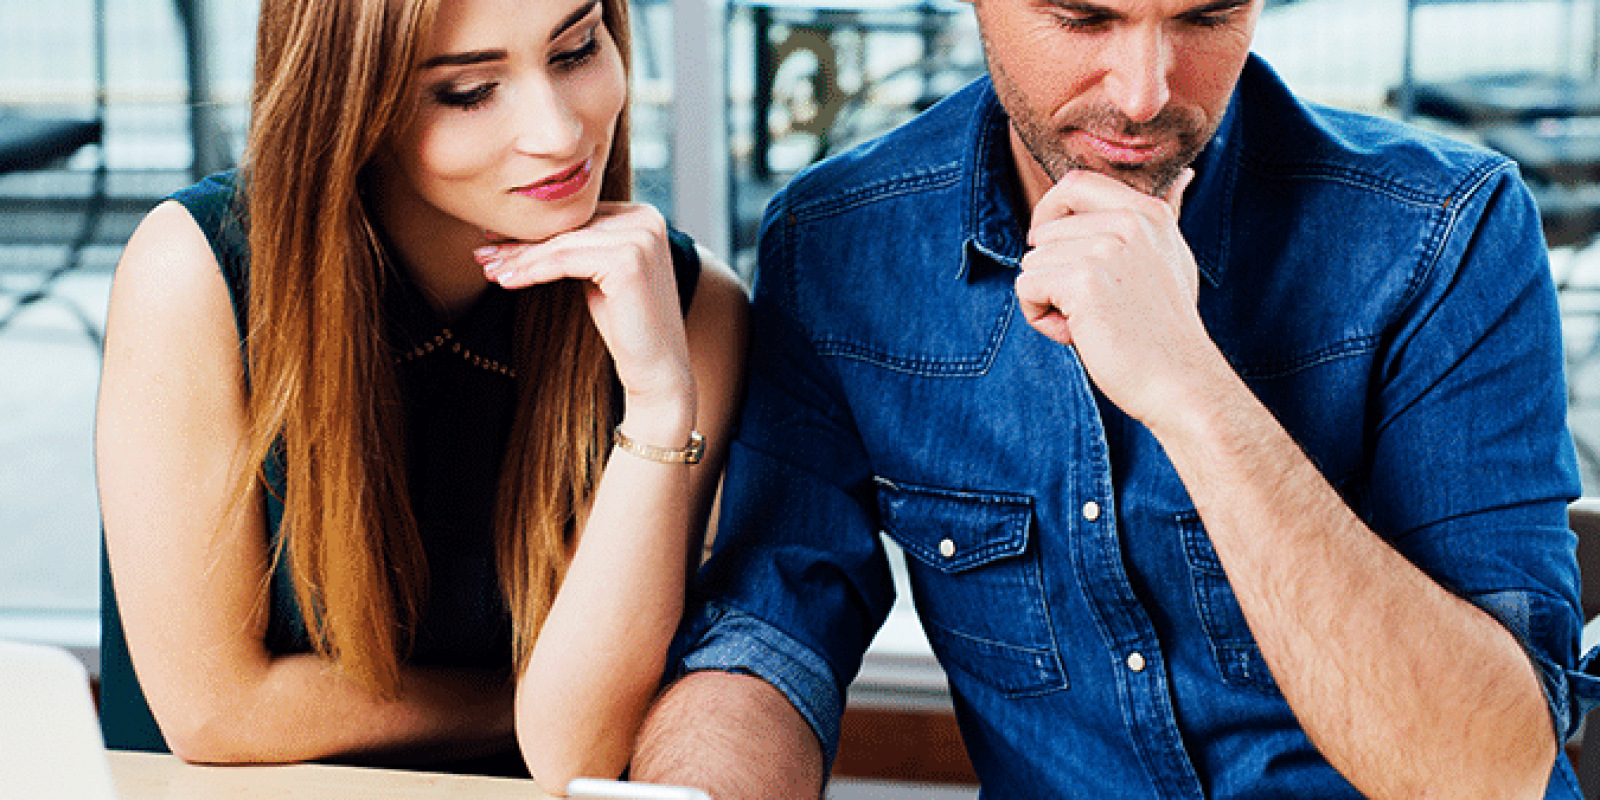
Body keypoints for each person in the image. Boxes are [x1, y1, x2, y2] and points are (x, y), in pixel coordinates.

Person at [629, 0, 1600, 797]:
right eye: (1082, 18)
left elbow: (1490, 771)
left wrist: (1188, 382)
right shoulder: (837, 245)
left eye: (1205, 17)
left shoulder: (1442, 233)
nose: (1144, 94)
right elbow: (770, 631)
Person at [94, 0, 747, 791]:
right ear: (349, 103)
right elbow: (215, 711)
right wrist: (537, 700)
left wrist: (657, 404)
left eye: (576, 50)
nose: (560, 133)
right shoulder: (195, 274)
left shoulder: (688, 309)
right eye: (468, 92)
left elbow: (578, 753)